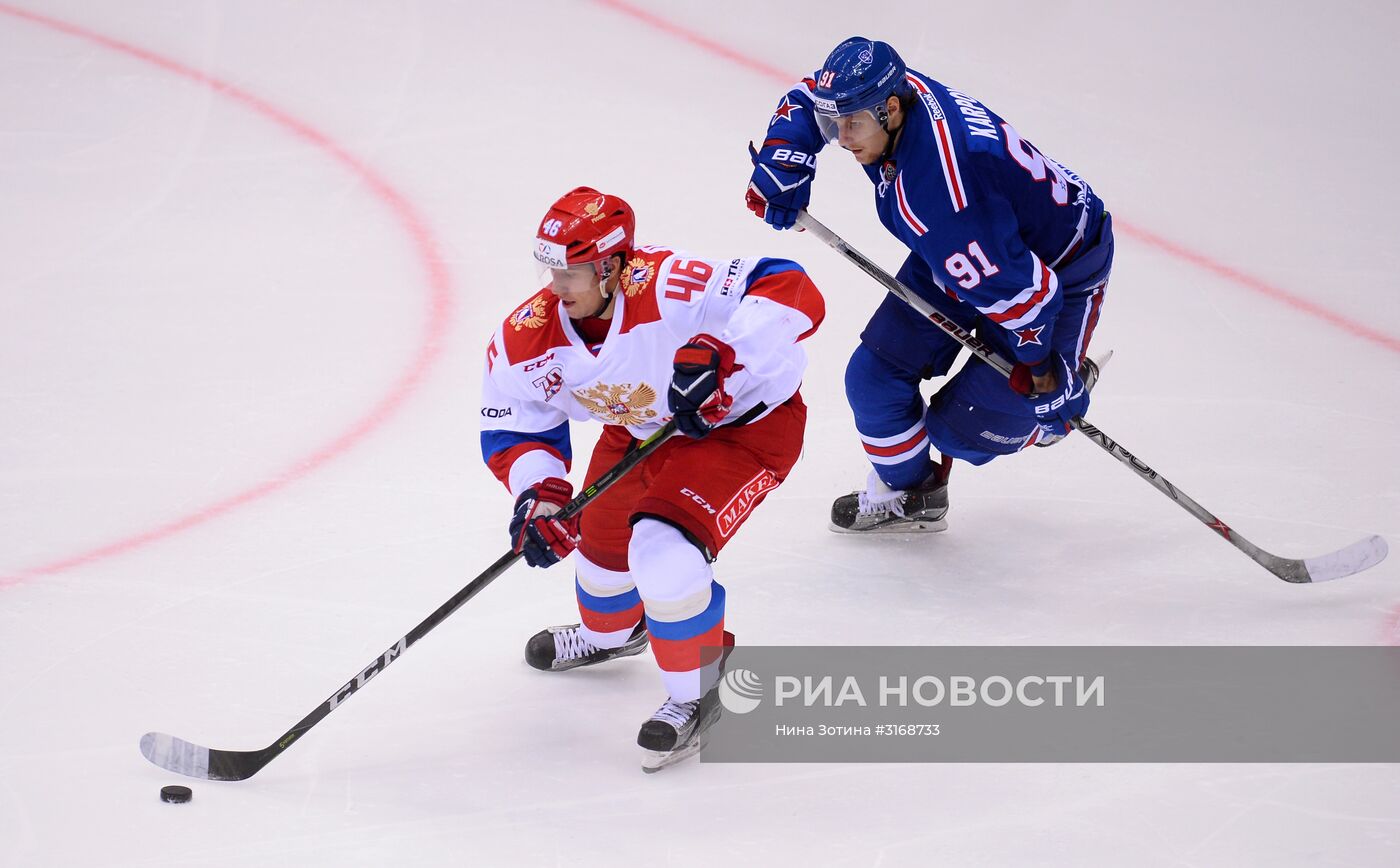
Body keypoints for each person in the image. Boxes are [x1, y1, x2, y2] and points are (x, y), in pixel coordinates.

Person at [480, 186, 825, 770]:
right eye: (550, 270)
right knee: (600, 568)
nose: (556, 288)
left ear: (613, 266)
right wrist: (537, 498)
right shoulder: (527, 335)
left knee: (662, 551)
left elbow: (790, 285)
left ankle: (702, 688)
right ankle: (616, 636)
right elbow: (517, 426)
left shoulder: (669, 283)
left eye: (572, 272)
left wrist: (725, 354)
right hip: (638, 432)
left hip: (741, 429)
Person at [746, 37, 1113, 533]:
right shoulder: (892, 93)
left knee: (961, 431)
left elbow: (1032, 297)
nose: (841, 135)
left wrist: (1046, 379)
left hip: (1056, 269)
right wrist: (784, 159)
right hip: (970, 247)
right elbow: (812, 100)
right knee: (872, 381)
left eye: (851, 124)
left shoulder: (937, 195)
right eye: (838, 123)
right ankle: (914, 495)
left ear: (891, 109)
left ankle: (1046, 418)